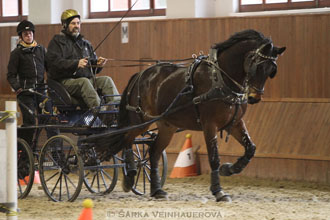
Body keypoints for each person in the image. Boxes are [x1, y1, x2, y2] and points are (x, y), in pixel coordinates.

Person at [46, 9, 120, 110]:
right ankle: (100, 112)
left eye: (78, 23)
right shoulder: (56, 42)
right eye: (73, 23)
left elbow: (92, 68)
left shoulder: (85, 44)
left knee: (106, 80)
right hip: (64, 81)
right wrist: (75, 64)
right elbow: (54, 64)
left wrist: (97, 64)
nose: (76, 26)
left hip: (86, 79)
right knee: (84, 82)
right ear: (64, 25)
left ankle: (116, 110)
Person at [7, 20, 57, 147]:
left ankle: (57, 152)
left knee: (50, 120)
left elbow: (49, 69)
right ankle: (25, 154)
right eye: (25, 34)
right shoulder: (16, 53)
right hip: (25, 93)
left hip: (40, 91)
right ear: (21, 37)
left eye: (30, 33)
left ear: (33, 34)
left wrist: (51, 85)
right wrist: (17, 87)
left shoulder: (41, 50)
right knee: (29, 122)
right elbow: (10, 75)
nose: (29, 36)